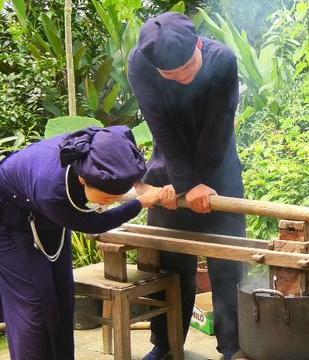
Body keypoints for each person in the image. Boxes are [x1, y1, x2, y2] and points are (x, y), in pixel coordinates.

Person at [0, 126, 165, 359]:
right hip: (1, 219)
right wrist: (141, 202)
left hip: (40, 214)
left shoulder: (105, 142)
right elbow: (95, 223)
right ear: (82, 178)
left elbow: (122, 135)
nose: (111, 202)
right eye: (107, 198)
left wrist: (138, 182)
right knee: (33, 307)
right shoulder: (54, 191)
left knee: (62, 296)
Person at [128, 12, 246, 360]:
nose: (181, 78)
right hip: (171, 172)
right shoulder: (141, 63)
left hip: (219, 168)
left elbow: (219, 125)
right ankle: (165, 346)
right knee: (171, 265)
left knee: (228, 264)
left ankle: (233, 347)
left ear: (198, 45)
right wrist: (185, 185)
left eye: (187, 69)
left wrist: (203, 184)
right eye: (171, 75)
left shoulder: (222, 59)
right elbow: (160, 127)